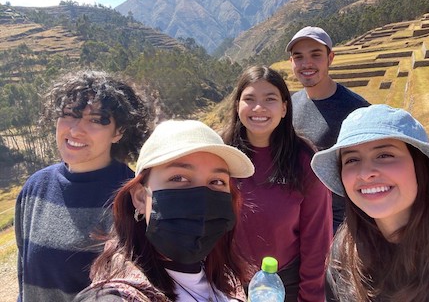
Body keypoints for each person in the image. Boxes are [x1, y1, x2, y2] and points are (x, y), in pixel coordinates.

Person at [310, 104, 429, 302]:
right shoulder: (344, 251)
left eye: (384, 155)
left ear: (421, 167)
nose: (365, 173)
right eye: (352, 160)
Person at [74, 119, 255, 301]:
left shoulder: (226, 278)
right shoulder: (117, 296)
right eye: (178, 178)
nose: (202, 200)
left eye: (217, 181)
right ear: (140, 197)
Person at [15, 70, 152, 301]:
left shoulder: (132, 198)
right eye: (69, 114)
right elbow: (24, 277)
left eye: (96, 120)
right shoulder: (35, 188)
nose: (76, 129)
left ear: (119, 131)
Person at [221, 65, 333, 301]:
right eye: (249, 99)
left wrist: (311, 297)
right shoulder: (220, 156)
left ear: (284, 107)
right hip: (225, 281)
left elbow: (317, 241)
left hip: (284, 285)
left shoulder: (304, 161)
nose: (258, 108)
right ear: (237, 105)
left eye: (269, 99)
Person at [286, 26, 370, 233]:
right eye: (299, 57)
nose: (306, 64)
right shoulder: (290, 104)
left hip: (337, 224)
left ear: (330, 58)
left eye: (315, 55)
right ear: (291, 63)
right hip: (295, 218)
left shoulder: (356, 110)